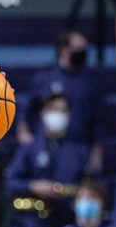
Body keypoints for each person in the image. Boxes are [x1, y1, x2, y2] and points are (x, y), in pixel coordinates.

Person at [6, 93, 89, 227]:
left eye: (63, 110)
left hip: (69, 224)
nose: (58, 115)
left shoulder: (79, 151)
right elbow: (10, 181)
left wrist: (72, 191)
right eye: (53, 109)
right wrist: (33, 186)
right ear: (43, 113)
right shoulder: (29, 148)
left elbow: (91, 185)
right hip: (32, 225)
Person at [16, 30, 103, 172]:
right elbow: (27, 107)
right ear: (64, 50)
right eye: (78, 48)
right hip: (45, 144)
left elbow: (97, 120)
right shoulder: (45, 78)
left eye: (84, 49)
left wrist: (97, 151)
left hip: (78, 145)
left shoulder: (90, 84)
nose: (82, 53)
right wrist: (23, 131)